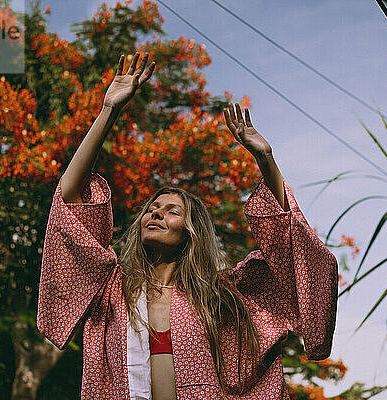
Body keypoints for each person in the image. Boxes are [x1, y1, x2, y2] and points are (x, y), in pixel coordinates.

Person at [37, 52, 338, 400]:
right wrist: (109, 111)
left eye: (171, 211)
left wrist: (265, 160)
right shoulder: (113, 289)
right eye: (153, 208)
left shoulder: (223, 295)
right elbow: (71, 198)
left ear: (190, 232)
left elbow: (291, 253)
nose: (156, 213)